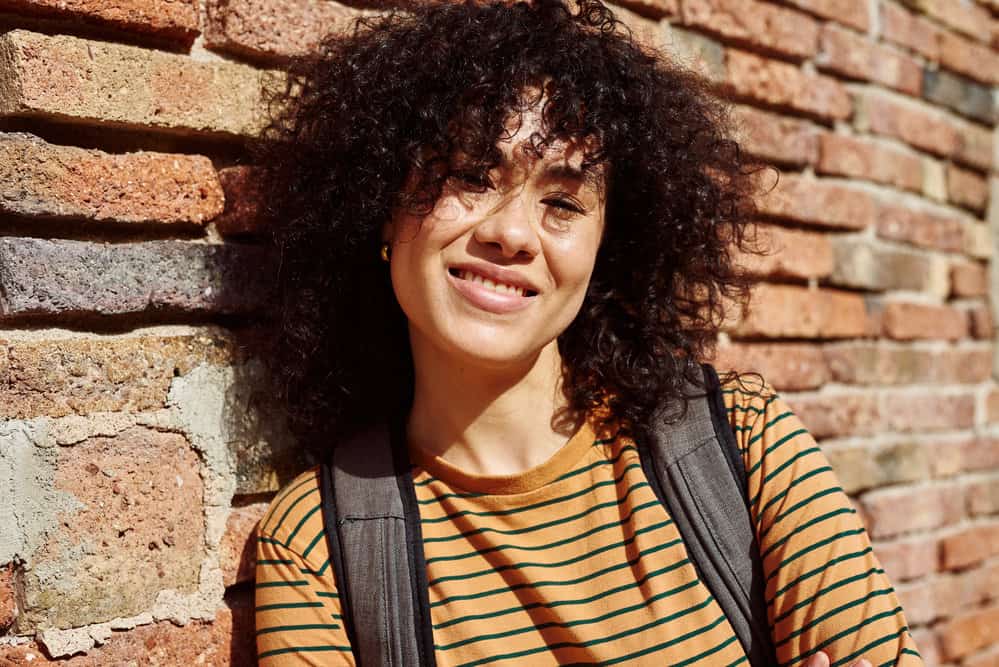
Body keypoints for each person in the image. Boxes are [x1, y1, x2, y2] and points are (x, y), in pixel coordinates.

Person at [251, 0, 923, 664]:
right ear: (383, 212)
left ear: (607, 247)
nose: (509, 233)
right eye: (469, 177)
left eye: (562, 202)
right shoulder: (319, 549)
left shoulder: (743, 442)